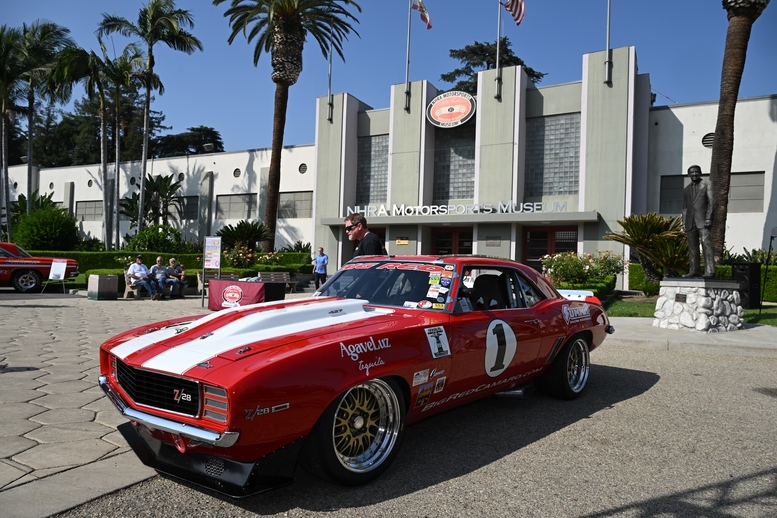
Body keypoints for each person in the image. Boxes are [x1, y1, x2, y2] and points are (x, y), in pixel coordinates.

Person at [682, 164, 715, 278]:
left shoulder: (707, 184)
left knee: (706, 245)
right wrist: (684, 222)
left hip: (703, 221)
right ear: (689, 174)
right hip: (690, 222)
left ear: (700, 172)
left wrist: (708, 218)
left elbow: (712, 203)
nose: (694, 174)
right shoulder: (686, 189)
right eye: (692, 172)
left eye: (696, 172)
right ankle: (694, 271)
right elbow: (685, 208)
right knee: (692, 248)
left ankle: (710, 271)